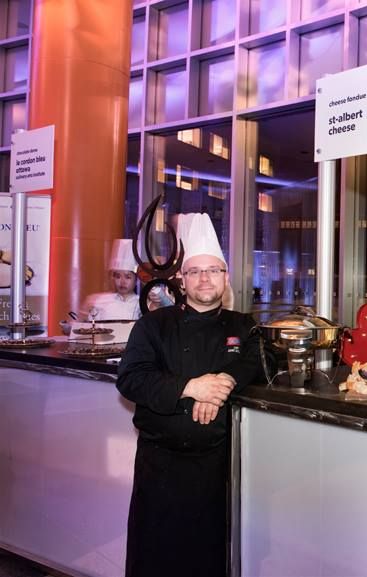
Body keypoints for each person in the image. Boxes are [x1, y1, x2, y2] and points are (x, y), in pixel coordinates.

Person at [117, 213, 264, 577]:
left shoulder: (243, 325)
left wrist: (223, 381)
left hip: (217, 467)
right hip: (160, 466)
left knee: (210, 557)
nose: (204, 278)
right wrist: (190, 387)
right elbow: (131, 379)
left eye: (213, 271)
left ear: (225, 278)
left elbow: (261, 362)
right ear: (181, 281)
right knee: (155, 558)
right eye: (195, 271)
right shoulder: (153, 324)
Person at [80, 239, 141, 320]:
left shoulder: (141, 304)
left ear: (136, 279)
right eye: (118, 276)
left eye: (127, 277)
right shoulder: (98, 301)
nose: (122, 282)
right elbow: (79, 326)